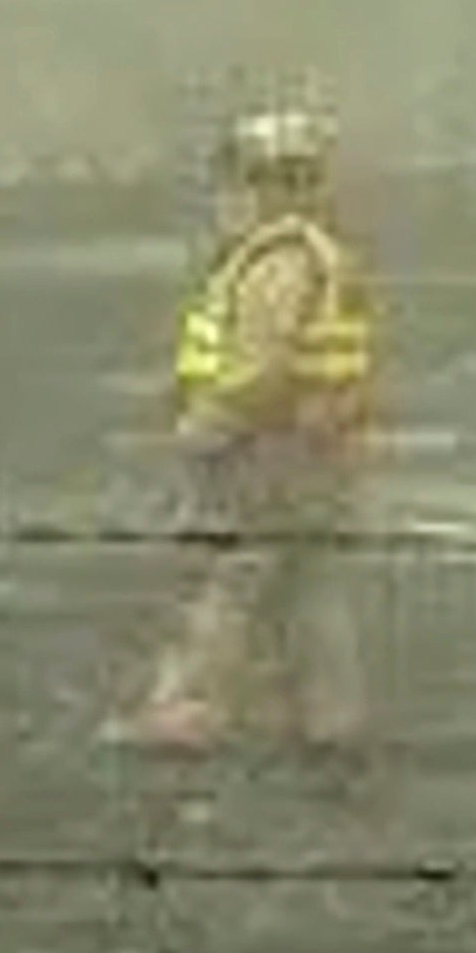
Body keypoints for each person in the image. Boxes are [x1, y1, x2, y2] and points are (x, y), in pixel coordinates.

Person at [117, 102, 378, 760]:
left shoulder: (274, 264)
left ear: (266, 183)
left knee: (227, 581)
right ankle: (330, 717)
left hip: (267, 451)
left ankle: (188, 711)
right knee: (310, 585)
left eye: (239, 180)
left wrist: (204, 427)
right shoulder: (321, 255)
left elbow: (261, 368)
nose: (228, 196)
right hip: (318, 449)